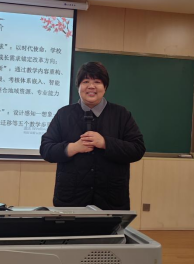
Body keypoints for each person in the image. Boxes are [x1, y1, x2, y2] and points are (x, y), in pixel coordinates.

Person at [40, 62, 145, 210]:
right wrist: (73, 147)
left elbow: (137, 149)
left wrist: (105, 143)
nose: (91, 86)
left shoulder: (121, 114)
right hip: (71, 201)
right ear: (78, 86)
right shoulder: (63, 114)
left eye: (97, 82)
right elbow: (46, 149)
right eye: (85, 81)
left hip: (111, 201)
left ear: (105, 87)